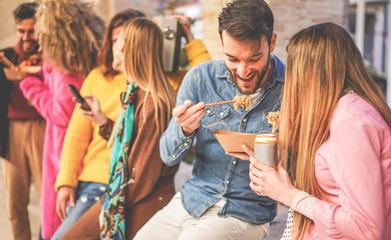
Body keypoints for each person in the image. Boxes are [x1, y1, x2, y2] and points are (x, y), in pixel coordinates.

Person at [134, 0, 285, 239]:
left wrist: (274, 154)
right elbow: (167, 156)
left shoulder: (292, 89)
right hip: (192, 200)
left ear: (272, 43)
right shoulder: (199, 79)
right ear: (222, 45)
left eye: (254, 58)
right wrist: (183, 129)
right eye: (233, 59)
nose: (244, 72)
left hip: (246, 212)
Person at [236, 23, 391, 239]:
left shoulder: (351, 121)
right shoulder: (337, 111)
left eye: (294, 69)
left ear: (311, 73)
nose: (291, 80)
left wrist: (289, 195)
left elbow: (366, 228)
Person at [60, 17, 181, 240]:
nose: (114, 45)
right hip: (125, 195)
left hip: (142, 201)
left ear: (126, 50)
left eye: (119, 40)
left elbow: (141, 174)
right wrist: (103, 122)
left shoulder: (154, 102)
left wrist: (108, 210)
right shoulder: (135, 92)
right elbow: (127, 146)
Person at [50, 9, 146, 240]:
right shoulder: (97, 76)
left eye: (124, 42)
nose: (117, 48)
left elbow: (204, 83)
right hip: (87, 180)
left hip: (113, 183)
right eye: (114, 41)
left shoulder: (150, 81)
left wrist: (190, 41)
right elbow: (76, 134)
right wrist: (66, 182)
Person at [19, 0, 105, 239]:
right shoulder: (76, 60)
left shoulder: (67, 70)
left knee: (57, 225)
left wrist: (29, 84)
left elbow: (62, 113)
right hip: (69, 154)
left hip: (65, 156)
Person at [0, 2, 46, 239]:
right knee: (15, 203)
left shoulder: (52, 56)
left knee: (47, 200)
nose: (26, 36)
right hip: (12, 131)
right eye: (21, 31)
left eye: (31, 30)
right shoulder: (5, 57)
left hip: (44, 128)